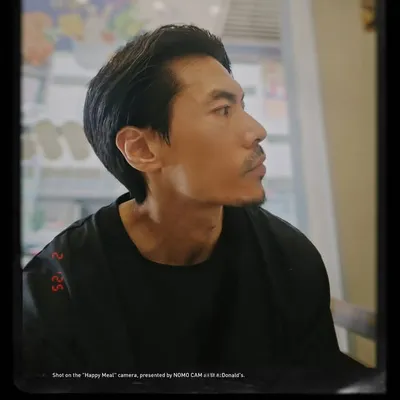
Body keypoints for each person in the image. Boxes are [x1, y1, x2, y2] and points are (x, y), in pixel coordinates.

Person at [20, 24, 371, 392]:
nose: (256, 130)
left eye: (242, 107)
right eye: (222, 110)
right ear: (141, 149)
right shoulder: (57, 288)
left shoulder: (288, 257)